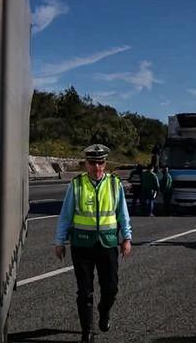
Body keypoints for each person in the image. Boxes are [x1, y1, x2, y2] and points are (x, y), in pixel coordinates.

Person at [54, 144, 133, 343]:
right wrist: (60, 241)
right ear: (86, 164)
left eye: (101, 162)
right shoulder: (77, 184)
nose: (97, 167)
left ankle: (104, 310)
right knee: (84, 291)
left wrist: (127, 238)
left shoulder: (115, 184)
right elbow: (66, 215)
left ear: (105, 163)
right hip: (82, 246)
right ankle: (86, 332)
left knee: (111, 289)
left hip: (108, 245)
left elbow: (122, 214)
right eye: (92, 163)